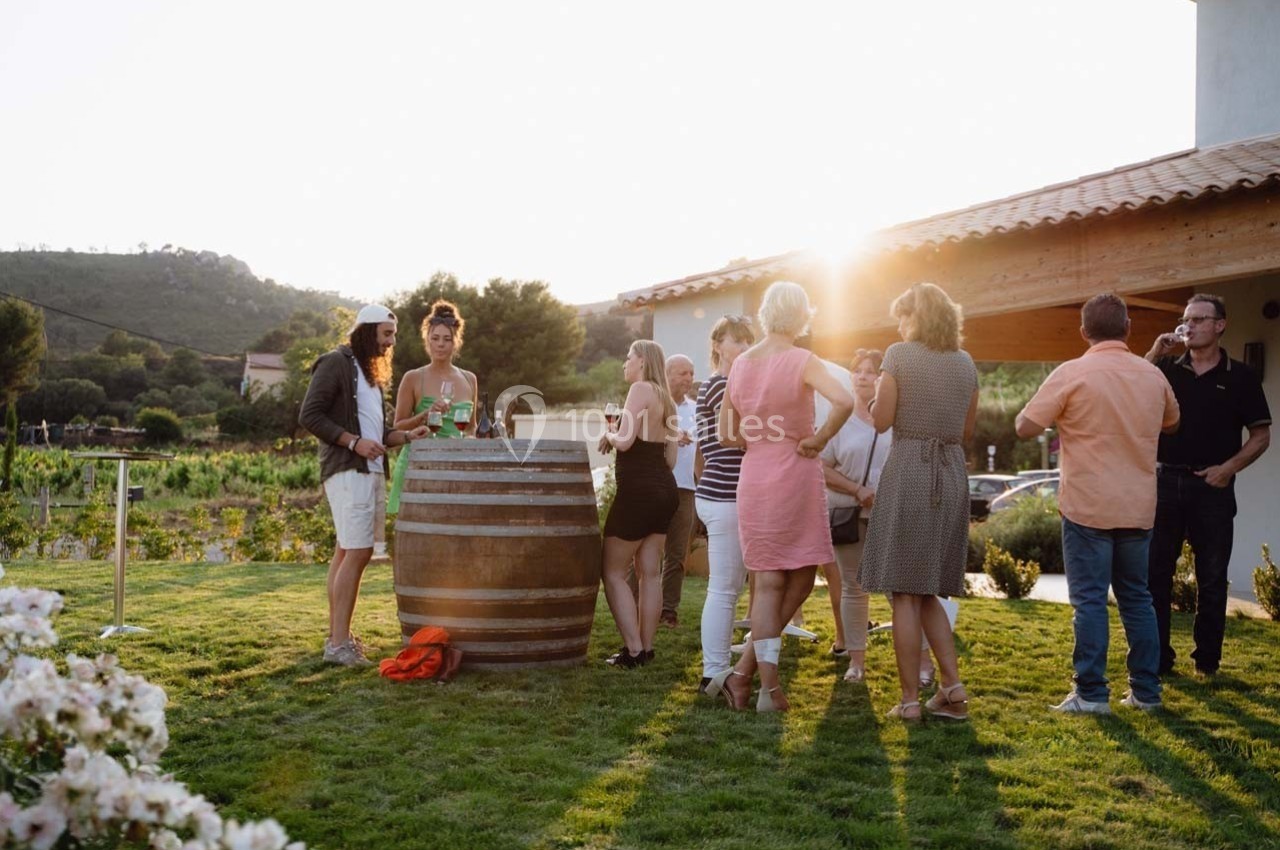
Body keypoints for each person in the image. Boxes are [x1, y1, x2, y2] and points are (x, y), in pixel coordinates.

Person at [1018, 294, 1181, 713]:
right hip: (1139, 505)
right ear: (1128, 328)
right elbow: (1173, 421)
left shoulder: (1071, 373)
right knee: (1137, 598)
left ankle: (1091, 694)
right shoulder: (1152, 375)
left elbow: (1024, 426)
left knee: (1089, 600)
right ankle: (1146, 693)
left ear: (1084, 332)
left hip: (1087, 506)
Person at [705, 281, 853, 713]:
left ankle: (745, 678)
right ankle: (767, 689)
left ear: (768, 313)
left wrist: (759, 438)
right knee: (798, 579)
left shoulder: (742, 364)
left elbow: (725, 433)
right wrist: (817, 438)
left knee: (777, 581)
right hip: (796, 472)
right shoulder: (802, 359)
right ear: (802, 314)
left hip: (756, 473)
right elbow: (844, 400)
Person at [859, 283, 977, 721]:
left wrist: (875, 400)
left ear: (916, 317)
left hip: (911, 467)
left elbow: (882, 420)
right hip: (951, 472)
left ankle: (909, 700)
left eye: (902, 317)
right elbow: (967, 429)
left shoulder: (899, 355)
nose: (899, 325)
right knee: (927, 591)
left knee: (905, 593)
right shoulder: (966, 363)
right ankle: (953, 690)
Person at [1144, 293, 1271, 676]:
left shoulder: (1241, 376)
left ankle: (1207, 664)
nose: (1191, 325)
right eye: (1188, 319)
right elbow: (1129, 384)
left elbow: (1261, 436)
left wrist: (1227, 469)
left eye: (1200, 319)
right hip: (1165, 483)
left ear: (1220, 325)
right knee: (1156, 578)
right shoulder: (1164, 367)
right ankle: (1158, 661)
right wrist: (1154, 350)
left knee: (1212, 579)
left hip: (1212, 489)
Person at [299, 304, 430, 666]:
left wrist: (405, 435)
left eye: (394, 335)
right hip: (347, 469)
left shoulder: (371, 376)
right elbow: (310, 415)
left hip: (370, 470)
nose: (392, 342)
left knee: (346, 551)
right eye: (387, 334)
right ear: (367, 330)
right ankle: (339, 645)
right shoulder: (335, 362)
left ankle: (338, 637)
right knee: (357, 552)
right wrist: (353, 442)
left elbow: (378, 433)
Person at [598, 340, 680, 668]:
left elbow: (626, 440)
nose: (624, 363)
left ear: (642, 361)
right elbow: (671, 460)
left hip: (638, 494)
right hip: (665, 491)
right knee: (650, 573)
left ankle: (632, 651)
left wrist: (610, 433)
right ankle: (646, 648)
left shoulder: (640, 389)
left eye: (628, 357)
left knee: (613, 570)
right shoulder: (667, 399)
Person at [820, 349, 892, 683]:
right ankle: (856, 662)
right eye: (857, 370)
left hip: (890, 515)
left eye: (870, 371)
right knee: (853, 586)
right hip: (848, 514)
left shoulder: (896, 420)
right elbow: (820, 466)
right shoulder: (840, 418)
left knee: (899, 589)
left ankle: (921, 662)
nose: (862, 376)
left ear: (883, 379)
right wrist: (856, 490)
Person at [694, 316, 755, 692]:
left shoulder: (723, 384)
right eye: (738, 341)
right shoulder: (721, 385)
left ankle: (718, 668)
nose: (746, 348)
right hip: (725, 495)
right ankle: (713, 671)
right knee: (724, 589)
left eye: (750, 341)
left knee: (730, 587)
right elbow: (743, 436)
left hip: (723, 494)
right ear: (717, 345)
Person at [387, 300, 478, 515]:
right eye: (435, 338)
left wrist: (470, 441)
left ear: (456, 342)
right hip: (420, 466)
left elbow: (471, 428)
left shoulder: (469, 379)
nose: (440, 344)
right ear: (427, 340)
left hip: (457, 468)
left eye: (447, 339)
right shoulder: (413, 378)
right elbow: (397, 427)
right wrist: (426, 415)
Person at [626, 354, 697, 628]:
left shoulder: (696, 409)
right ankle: (633, 604)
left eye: (691, 373)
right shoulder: (653, 403)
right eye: (683, 373)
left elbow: (699, 452)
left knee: (677, 554)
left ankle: (668, 611)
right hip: (653, 486)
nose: (689, 379)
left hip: (685, 489)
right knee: (641, 551)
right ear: (667, 373)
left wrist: (702, 486)